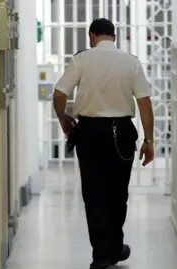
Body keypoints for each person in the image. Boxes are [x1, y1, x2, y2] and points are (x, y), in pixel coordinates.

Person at [53, 18, 155, 269]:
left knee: (94, 193)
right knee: (118, 193)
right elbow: (144, 102)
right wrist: (149, 140)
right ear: (114, 37)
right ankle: (115, 246)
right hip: (121, 133)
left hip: (89, 132)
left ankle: (101, 255)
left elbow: (59, 94)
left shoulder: (81, 59)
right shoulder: (131, 62)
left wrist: (65, 119)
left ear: (92, 36)